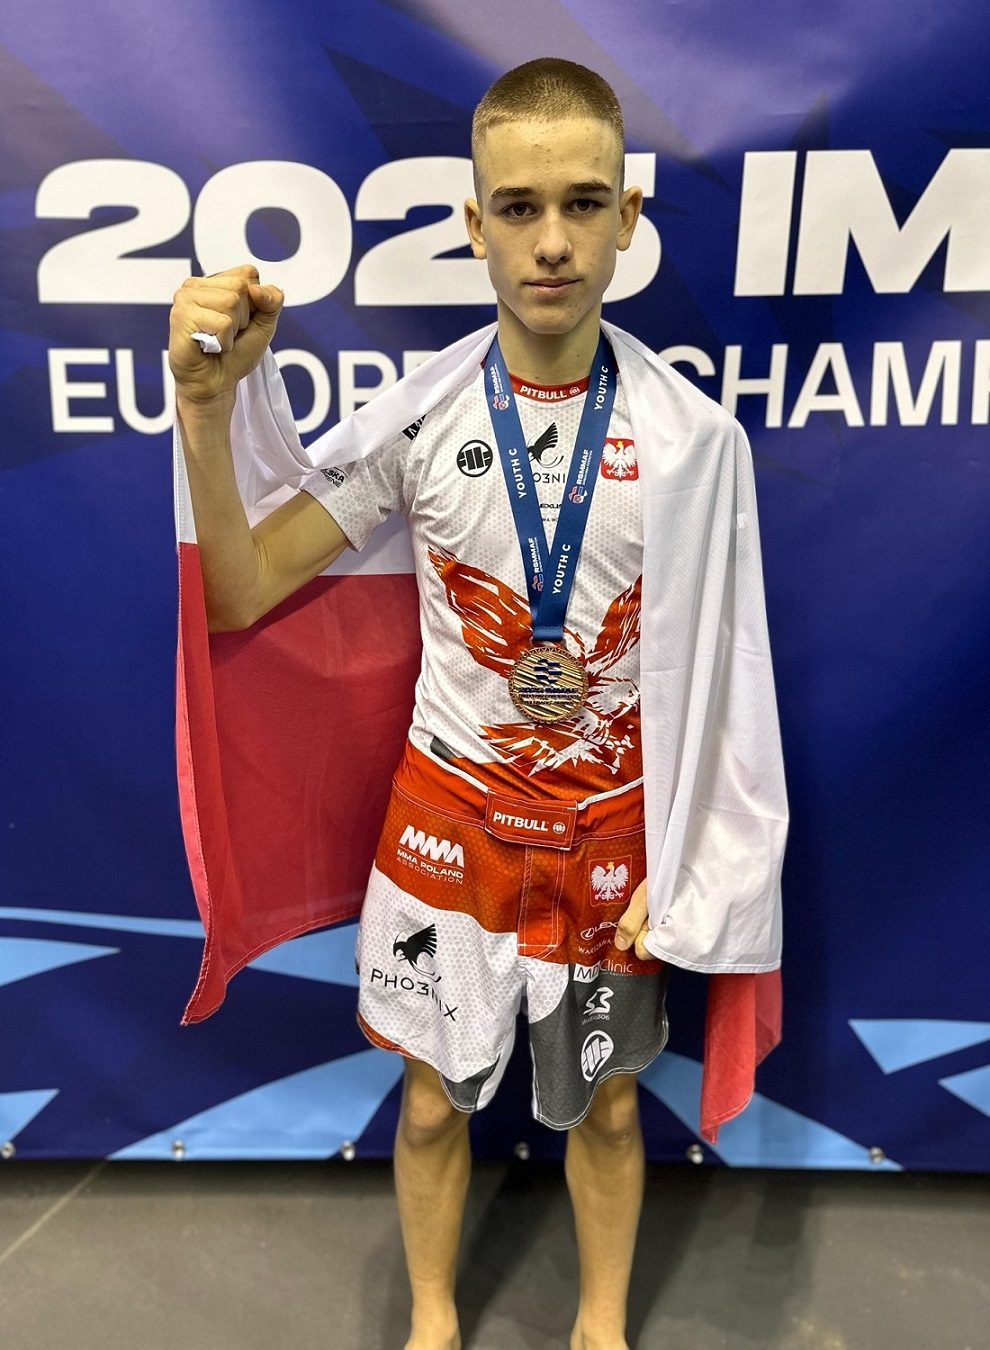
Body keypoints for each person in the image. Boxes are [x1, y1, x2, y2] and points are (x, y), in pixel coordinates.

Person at [169, 58, 786, 1350]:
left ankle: (601, 1327)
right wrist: (205, 410)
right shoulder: (419, 418)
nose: (551, 241)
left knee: (608, 1107)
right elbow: (239, 592)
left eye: (583, 203)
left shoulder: (694, 442)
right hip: (446, 831)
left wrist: (692, 868)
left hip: (612, 841)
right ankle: (434, 1323)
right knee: (429, 1103)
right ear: (473, 224)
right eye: (517, 206)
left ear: (627, 217)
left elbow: (733, 690)